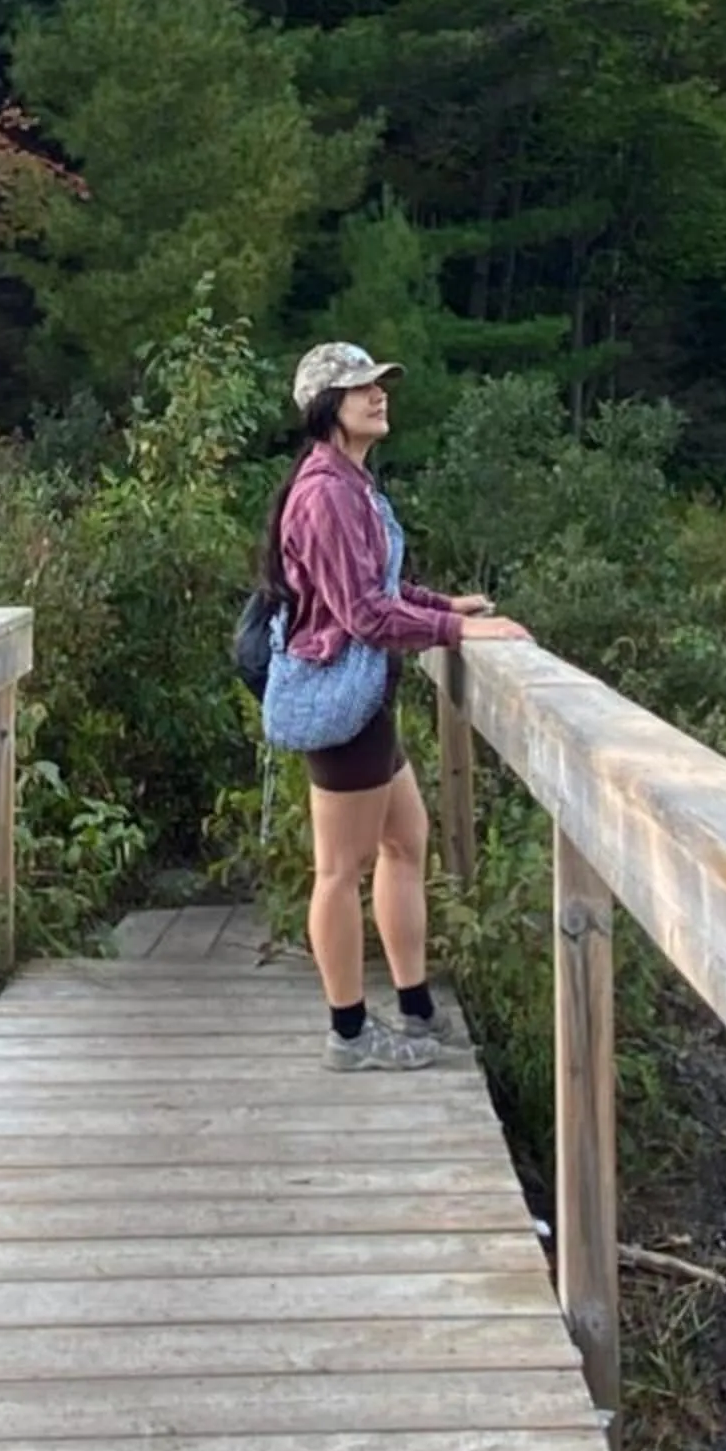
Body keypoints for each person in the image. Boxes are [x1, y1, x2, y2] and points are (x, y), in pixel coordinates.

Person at [260, 342, 528, 1070]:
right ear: (326, 408)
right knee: (339, 871)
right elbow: (365, 617)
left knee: (407, 841)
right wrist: (462, 629)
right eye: (360, 390)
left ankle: (414, 1009)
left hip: (362, 697)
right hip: (338, 699)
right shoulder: (325, 492)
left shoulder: (353, 484)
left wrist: (445, 603)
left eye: (380, 386)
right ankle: (348, 1033)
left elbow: (379, 586)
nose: (379, 396)